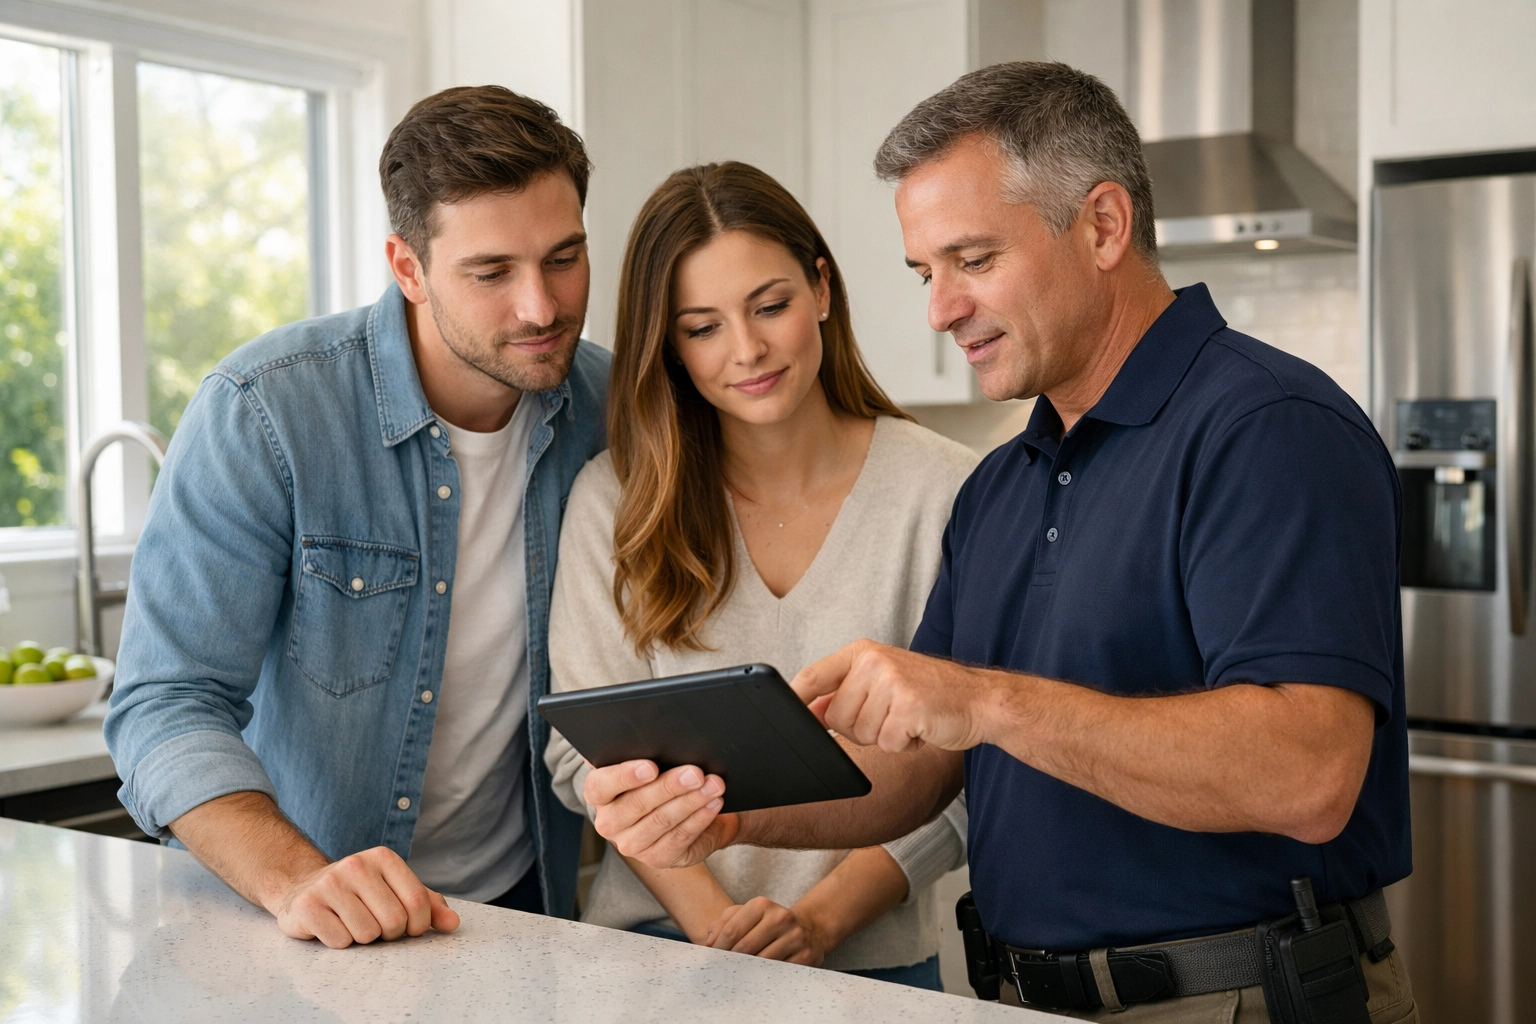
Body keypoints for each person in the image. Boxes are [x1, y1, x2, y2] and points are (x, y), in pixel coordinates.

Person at [578, 62, 1417, 1022]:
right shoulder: (1004, 486)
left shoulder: (1266, 427)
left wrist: (982, 700)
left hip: (1239, 999)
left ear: (1104, 226)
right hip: (1022, 998)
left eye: (973, 261)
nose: (938, 309)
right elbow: (920, 768)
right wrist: (723, 812)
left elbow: (1306, 774)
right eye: (924, 272)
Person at [104, 86, 610, 948]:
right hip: (302, 922)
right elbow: (165, 701)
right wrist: (298, 879)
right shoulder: (266, 412)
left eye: (564, 258)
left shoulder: (609, 406)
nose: (541, 307)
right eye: (491, 273)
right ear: (407, 267)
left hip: (517, 916)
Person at [543, 162, 975, 989]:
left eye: (769, 306)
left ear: (820, 288)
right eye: (701, 327)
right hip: (654, 962)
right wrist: (720, 929)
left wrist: (818, 921)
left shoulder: (947, 493)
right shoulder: (615, 500)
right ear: (667, 344)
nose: (746, 351)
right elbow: (582, 757)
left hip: (874, 970)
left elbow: (968, 769)